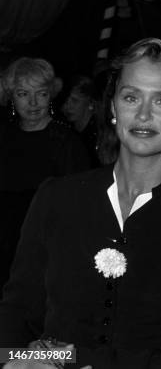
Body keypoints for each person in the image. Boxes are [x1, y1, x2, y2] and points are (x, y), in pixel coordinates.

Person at [0, 38, 161, 369]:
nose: (143, 114)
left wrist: (77, 361)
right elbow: (14, 318)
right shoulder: (57, 199)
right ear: (113, 108)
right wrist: (22, 360)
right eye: (131, 97)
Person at [0, 57, 90, 295]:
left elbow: (80, 206)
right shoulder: (5, 136)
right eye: (23, 94)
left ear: (51, 94)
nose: (32, 102)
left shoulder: (65, 141)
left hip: (43, 249)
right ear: (11, 96)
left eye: (40, 93)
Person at [61, 75, 103, 165]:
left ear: (90, 103)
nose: (68, 106)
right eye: (66, 101)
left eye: (75, 101)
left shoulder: (100, 136)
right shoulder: (65, 130)